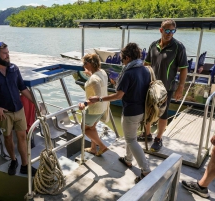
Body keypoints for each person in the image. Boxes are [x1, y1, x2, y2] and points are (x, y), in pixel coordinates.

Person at [89, 43, 151, 183]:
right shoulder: (145, 69)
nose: (122, 61)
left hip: (131, 111)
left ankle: (146, 170)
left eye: (122, 59)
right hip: (142, 110)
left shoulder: (128, 72)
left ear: (128, 58)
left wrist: (98, 98)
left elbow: (118, 96)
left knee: (130, 140)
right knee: (131, 137)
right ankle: (128, 160)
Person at [0, 42, 37, 176]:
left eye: (8, 53)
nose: (7, 56)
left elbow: (22, 88)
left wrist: (35, 102)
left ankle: (24, 165)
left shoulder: (14, 68)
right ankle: (13, 160)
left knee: (22, 136)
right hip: (3, 113)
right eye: (4, 53)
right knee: (8, 137)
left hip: (18, 109)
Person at [138, 19, 188, 152]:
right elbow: (147, 64)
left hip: (167, 87)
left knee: (163, 114)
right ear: (161, 30)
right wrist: (141, 79)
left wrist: (180, 88)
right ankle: (147, 134)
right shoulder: (153, 45)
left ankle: (158, 138)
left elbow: (184, 68)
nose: (170, 33)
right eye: (167, 30)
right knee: (147, 110)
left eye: (173, 31)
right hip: (151, 85)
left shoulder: (179, 47)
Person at [78, 53, 109, 156]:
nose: (83, 66)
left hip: (94, 109)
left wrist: (84, 103)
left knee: (84, 128)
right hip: (103, 108)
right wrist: (90, 73)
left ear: (89, 64)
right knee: (92, 128)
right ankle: (93, 149)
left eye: (84, 63)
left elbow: (97, 97)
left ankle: (102, 146)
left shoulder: (94, 79)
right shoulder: (102, 72)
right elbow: (97, 81)